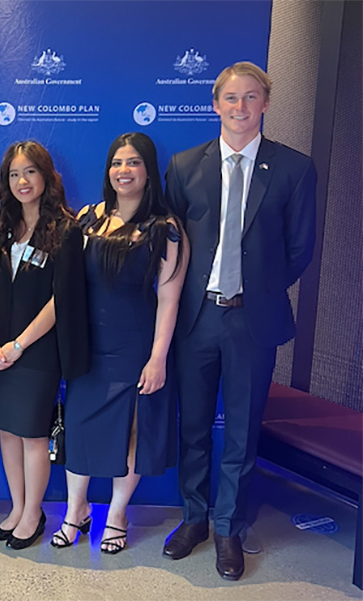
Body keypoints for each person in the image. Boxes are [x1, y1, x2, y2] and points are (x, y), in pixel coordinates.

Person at [163, 62, 316, 580]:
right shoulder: (185, 166)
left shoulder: (294, 169)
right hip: (197, 316)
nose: (240, 107)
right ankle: (194, 519)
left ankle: (229, 527)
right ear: (216, 104)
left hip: (253, 318)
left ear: (265, 104)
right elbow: (172, 243)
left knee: (243, 431)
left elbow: (299, 250)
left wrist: (259, 288)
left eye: (251, 97)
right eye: (231, 98)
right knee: (194, 427)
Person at [52, 132, 188, 554]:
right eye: (116, 162)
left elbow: (169, 300)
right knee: (79, 430)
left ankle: (116, 514)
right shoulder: (87, 219)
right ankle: (76, 512)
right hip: (88, 348)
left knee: (129, 435)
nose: (123, 171)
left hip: (135, 348)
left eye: (133, 163)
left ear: (149, 172)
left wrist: (157, 358)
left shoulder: (166, 229)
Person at [0, 140, 87, 550]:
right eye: (13, 174)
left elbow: (61, 301)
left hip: (37, 352)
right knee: (7, 431)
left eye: (29, 172)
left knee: (32, 435)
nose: (21, 181)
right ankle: (16, 506)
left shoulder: (65, 229)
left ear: (46, 176)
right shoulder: (1, 228)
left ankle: (33, 513)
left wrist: (19, 345)